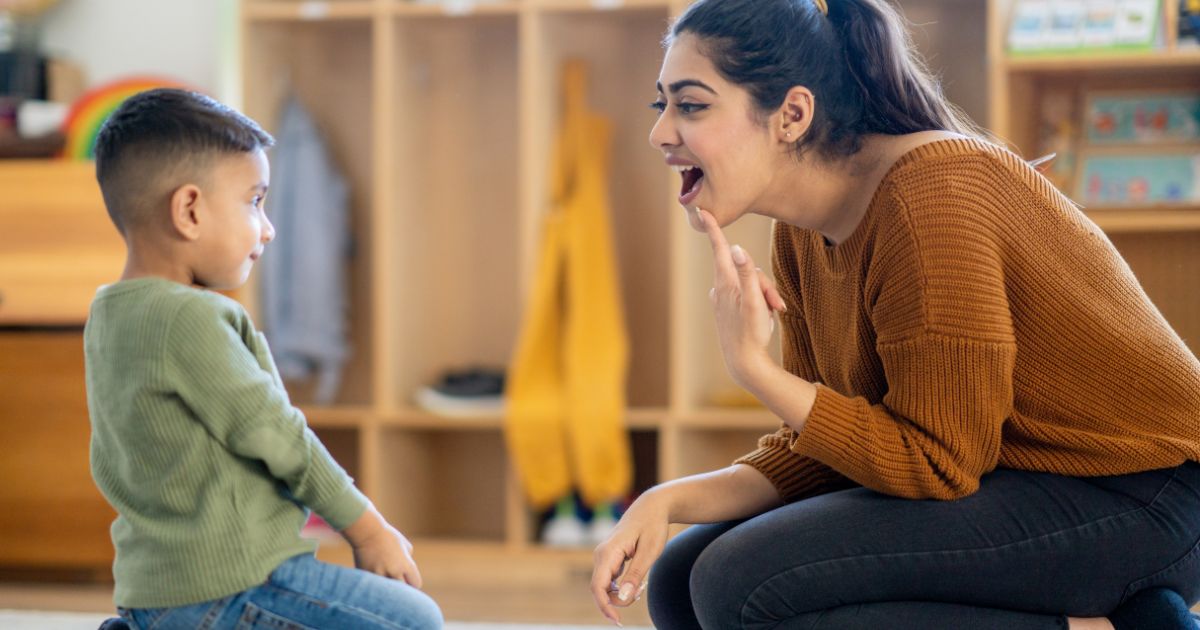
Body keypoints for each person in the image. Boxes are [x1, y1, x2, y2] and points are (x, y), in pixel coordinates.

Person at [590, 0, 1200, 628]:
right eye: (661, 105)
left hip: (1144, 497)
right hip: (1014, 480)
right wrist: (665, 500)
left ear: (792, 115)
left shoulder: (929, 196)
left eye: (691, 105)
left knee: (736, 582)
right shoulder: (801, 232)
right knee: (680, 579)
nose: (660, 133)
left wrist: (754, 369)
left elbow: (940, 460)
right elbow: (829, 451)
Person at [85, 88, 442, 629]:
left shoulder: (109, 314)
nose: (268, 228)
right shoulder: (190, 318)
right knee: (414, 621)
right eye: (254, 201)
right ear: (189, 211)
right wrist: (369, 531)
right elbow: (281, 437)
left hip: (155, 589)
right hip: (230, 584)